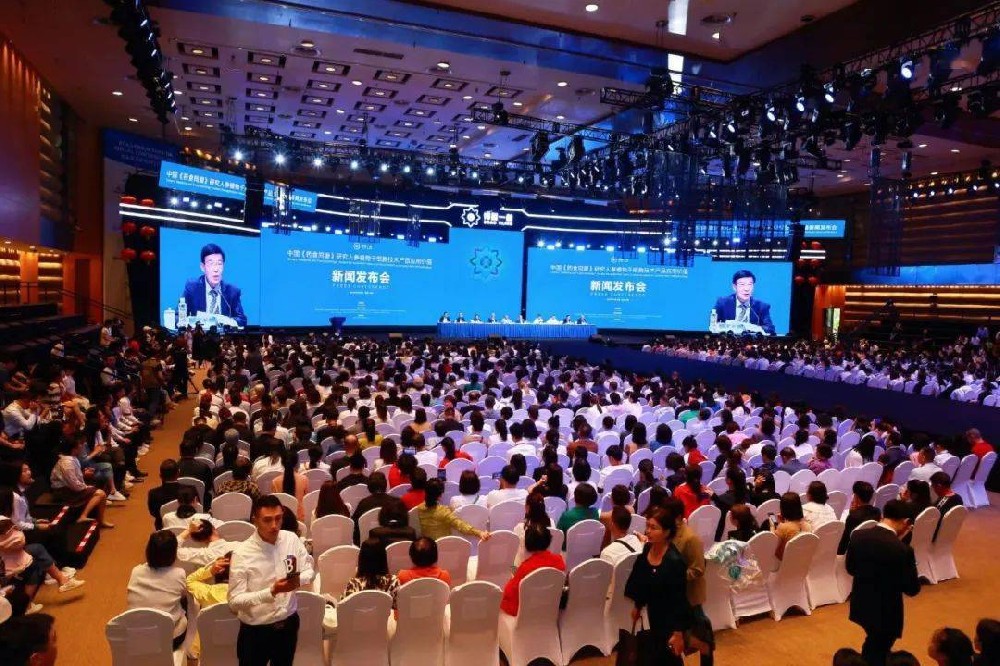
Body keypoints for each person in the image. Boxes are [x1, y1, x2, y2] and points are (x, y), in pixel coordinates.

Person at [228, 494, 314, 666]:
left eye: (278, 518)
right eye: (267, 520)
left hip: (288, 623)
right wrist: (272, 591)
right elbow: (234, 602)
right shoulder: (242, 553)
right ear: (255, 520)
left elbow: (309, 571)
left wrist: (296, 582)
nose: (274, 525)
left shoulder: (291, 539)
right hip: (256, 631)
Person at [846, 499, 921, 666]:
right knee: (878, 648)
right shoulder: (902, 550)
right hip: (887, 610)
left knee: (874, 642)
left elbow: (850, 568)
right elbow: (912, 589)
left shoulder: (858, 536)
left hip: (862, 601)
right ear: (906, 522)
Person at [624, 507, 693, 665]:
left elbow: (679, 599)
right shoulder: (648, 549)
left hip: (670, 619)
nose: (648, 531)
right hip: (653, 614)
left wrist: (678, 633)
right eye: (647, 526)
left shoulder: (674, 561)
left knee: (669, 658)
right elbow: (640, 578)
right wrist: (638, 605)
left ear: (667, 532)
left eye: (654, 528)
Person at [126, 531, 189, 648]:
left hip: (137, 636)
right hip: (169, 640)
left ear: (148, 550)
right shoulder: (179, 573)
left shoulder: (136, 571)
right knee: (187, 601)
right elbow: (183, 597)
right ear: (174, 553)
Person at [500, 524, 565, 616]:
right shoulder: (559, 561)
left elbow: (509, 593)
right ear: (548, 540)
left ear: (527, 543)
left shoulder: (525, 567)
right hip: (548, 608)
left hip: (526, 612)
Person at [181, 243, 247, 327]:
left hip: (224, 335)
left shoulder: (232, 292)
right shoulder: (192, 288)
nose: (216, 269)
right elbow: (178, 316)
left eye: (219, 264)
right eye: (211, 264)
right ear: (202, 267)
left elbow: (242, 320)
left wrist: (225, 320)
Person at [416, 478, 490, 541]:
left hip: (427, 547)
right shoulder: (444, 511)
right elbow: (460, 525)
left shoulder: (418, 509)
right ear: (440, 495)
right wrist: (479, 533)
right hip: (444, 547)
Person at [712, 269, 775, 335]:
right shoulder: (723, 303)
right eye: (742, 284)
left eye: (750, 284)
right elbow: (713, 326)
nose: (746, 289)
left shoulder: (761, 306)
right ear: (734, 287)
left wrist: (752, 327)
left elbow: (770, 329)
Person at [341, 538, 399, 607]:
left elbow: (344, 609)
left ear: (361, 559)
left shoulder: (353, 584)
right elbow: (399, 608)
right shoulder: (393, 582)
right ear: (383, 558)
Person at [839, 481, 881, 555]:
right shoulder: (877, 512)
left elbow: (844, 542)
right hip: (869, 550)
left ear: (856, 496)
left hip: (852, 554)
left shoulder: (853, 517)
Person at [771, 492, 811, 560]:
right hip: (801, 561)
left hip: (782, 563)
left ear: (783, 508)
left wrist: (772, 526)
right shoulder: (807, 525)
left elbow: (772, 547)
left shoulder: (783, 528)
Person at [271, 450, 307, 520]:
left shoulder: (275, 481)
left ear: (282, 463)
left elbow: (275, 503)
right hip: (300, 518)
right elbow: (306, 500)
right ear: (297, 463)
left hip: (282, 518)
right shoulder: (304, 479)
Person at [929, 472, 964, 540]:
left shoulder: (943, 501)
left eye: (933, 486)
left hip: (936, 535)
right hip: (950, 533)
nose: (933, 489)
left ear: (939, 486)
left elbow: (934, 519)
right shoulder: (958, 497)